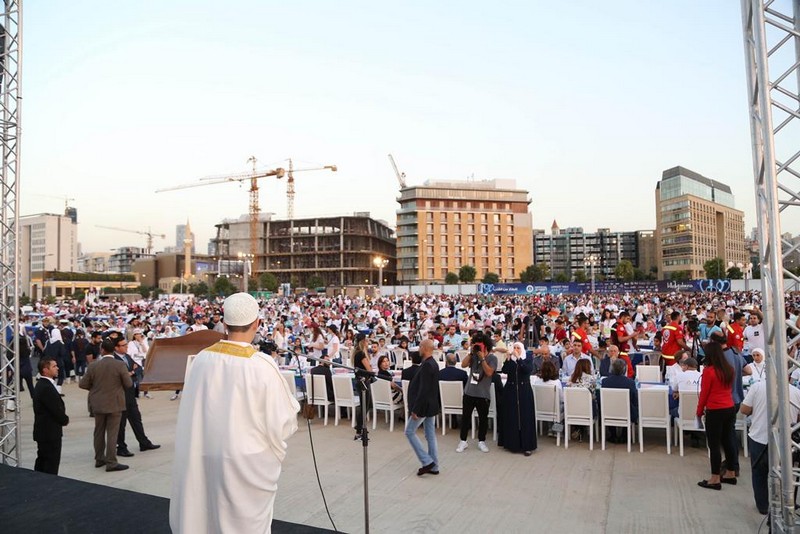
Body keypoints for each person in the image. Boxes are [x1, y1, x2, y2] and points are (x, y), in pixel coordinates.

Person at [170, 292, 300, 534]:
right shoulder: (261, 365)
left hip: (204, 452)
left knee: (205, 516)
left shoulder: (200, 359)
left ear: (225, 323)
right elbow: (284, 422)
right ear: (257, 323)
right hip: (245, 462)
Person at [740, 368, 800, 514]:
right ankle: (786, 504)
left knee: (759, 473)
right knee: (785, 474)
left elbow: (744, 409)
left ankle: (763, 505)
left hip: (759, 437)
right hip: (786, 441)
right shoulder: (796, 392)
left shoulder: (757, 387)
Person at [79, 337, 132, 472]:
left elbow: (83, 384)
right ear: (113, 350)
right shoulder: (119, 365)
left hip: (98, 403)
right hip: (115, 403)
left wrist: (95, 388)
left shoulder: (93, 365)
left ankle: (99, 458)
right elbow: (128, 384)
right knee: (112, 433)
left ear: (102, 350)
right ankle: (111, 461)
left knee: (99, 431)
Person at [696, 342, 738, 490]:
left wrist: (699, 411)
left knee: (714, 445)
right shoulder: (729, 370)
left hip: (715, 409)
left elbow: (704, 394)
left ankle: (714, 478)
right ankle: (731, 472)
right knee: (728, 442)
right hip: (729, 407)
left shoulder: (709, 371)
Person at [109, 334, 160, 456]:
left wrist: (131, 372)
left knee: (136, 420)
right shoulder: (114, 360)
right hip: (120, 396)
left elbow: (137, 369)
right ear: (116, 347)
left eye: (126, 344)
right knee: (121, 424)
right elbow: (121, 375)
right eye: (123, 345)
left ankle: (144, 442)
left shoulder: (127, 356)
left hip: (130, 395)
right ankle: (121, 447)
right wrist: (130, 372)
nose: (126, 347)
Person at [456, 331, 497, 454]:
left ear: (486, 345)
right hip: (469, 392)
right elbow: (463, 365)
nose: (478, 347)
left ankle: (481, 441)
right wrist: (471, 353)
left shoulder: (492, 358)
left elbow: (489, 373)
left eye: (480, 345)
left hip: (483, 394)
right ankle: (463, 441)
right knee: (465, 417)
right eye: (476, 344)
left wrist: (482, 358)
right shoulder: (473, 356)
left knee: (483, 419)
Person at [405, 339, 440, 476]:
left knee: (409, 432)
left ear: (425, 348)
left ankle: (426, 461)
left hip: (424, 406)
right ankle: (434, 465)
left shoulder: (427, 365)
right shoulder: (432, 363)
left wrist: (416, 409)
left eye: (420, 346)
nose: (418, 349)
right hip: (430, 405)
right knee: (430, 435)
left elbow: (423, 390)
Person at [32, 358, 69, 474]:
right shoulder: (46, 387)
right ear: (45, 370)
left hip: (46, 432)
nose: (57, 368)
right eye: (54, 366)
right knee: (50, 463)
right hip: (49, 433)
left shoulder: (44, 384)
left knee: (43, 461)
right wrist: (64, 419)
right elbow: (55, 409)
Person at [499, 342, 536, 455]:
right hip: (511, 390)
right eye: (514, 348)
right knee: (512, 416)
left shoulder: (527, 359)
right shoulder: (511, 361)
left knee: (525, 417)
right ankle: (512, 444)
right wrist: (508, 358)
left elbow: (527, 370)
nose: (516, 350)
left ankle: (527, 445)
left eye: (518, 348)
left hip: (524, 390)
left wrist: (519, 358)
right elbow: (504, 370)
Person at [601, 358, 638, 444]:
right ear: (624, 369)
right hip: (627, 412)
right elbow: (634, 398)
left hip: (609, 412)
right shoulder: (630, 382)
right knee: (631, 406)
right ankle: (624, 435)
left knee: (610, 406)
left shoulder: (605, 382)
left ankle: (612, 434)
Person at [352, 333, 373, 441]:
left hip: (360, 381)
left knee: (366, 405)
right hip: (363, 382)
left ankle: (360, 426)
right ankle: (359, 430)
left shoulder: (356, 353)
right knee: (365, 405)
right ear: (363, 341)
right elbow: (369, 369)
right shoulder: (361, 354)